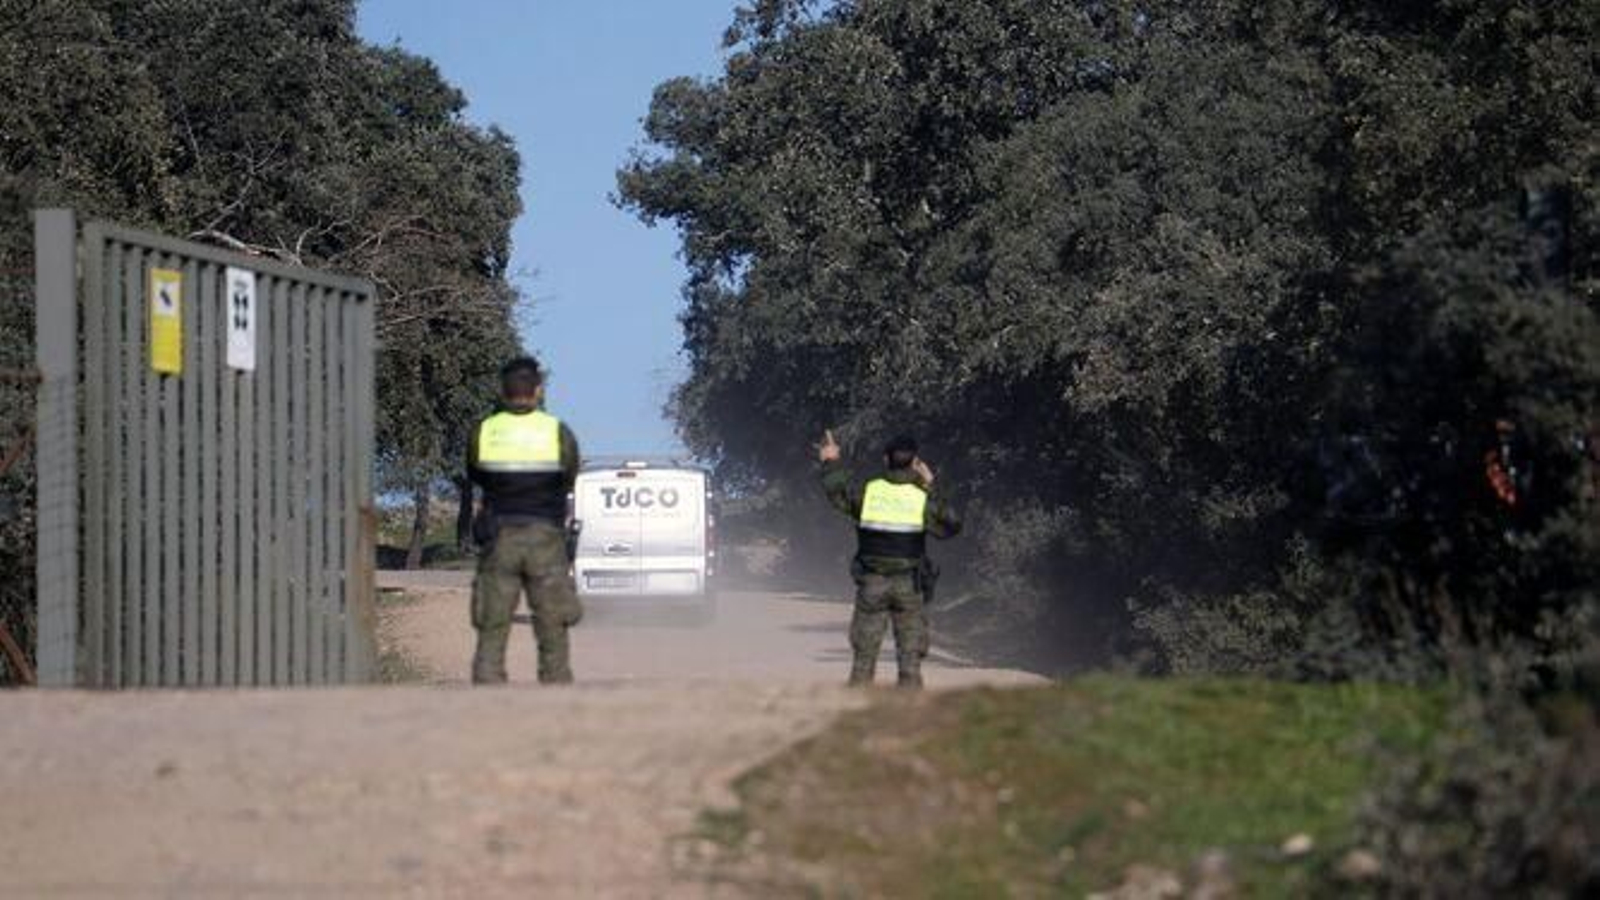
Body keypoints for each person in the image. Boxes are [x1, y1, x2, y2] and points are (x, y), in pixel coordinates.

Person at [465, 357, 582, 684]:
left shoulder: (485, 431)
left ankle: (489, 689)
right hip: (545, 536)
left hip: (499, 536)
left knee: (493, 620)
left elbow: (475, 473)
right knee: (551, 619)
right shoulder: (557, 432)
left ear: (502, 391)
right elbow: (570, 475)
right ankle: (556, 688)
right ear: (538, 390)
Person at [818, 429, 960, 688]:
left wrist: (830, 460)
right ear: (916, 462)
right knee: (910, 661)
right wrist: (930, 484)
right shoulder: (922, 499)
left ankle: (857, 713)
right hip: (910, 586)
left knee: (863, 659)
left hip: (872, 582)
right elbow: (950, 525)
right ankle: (908, 717)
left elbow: (838, 493)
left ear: (885, 459)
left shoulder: (869, 493)